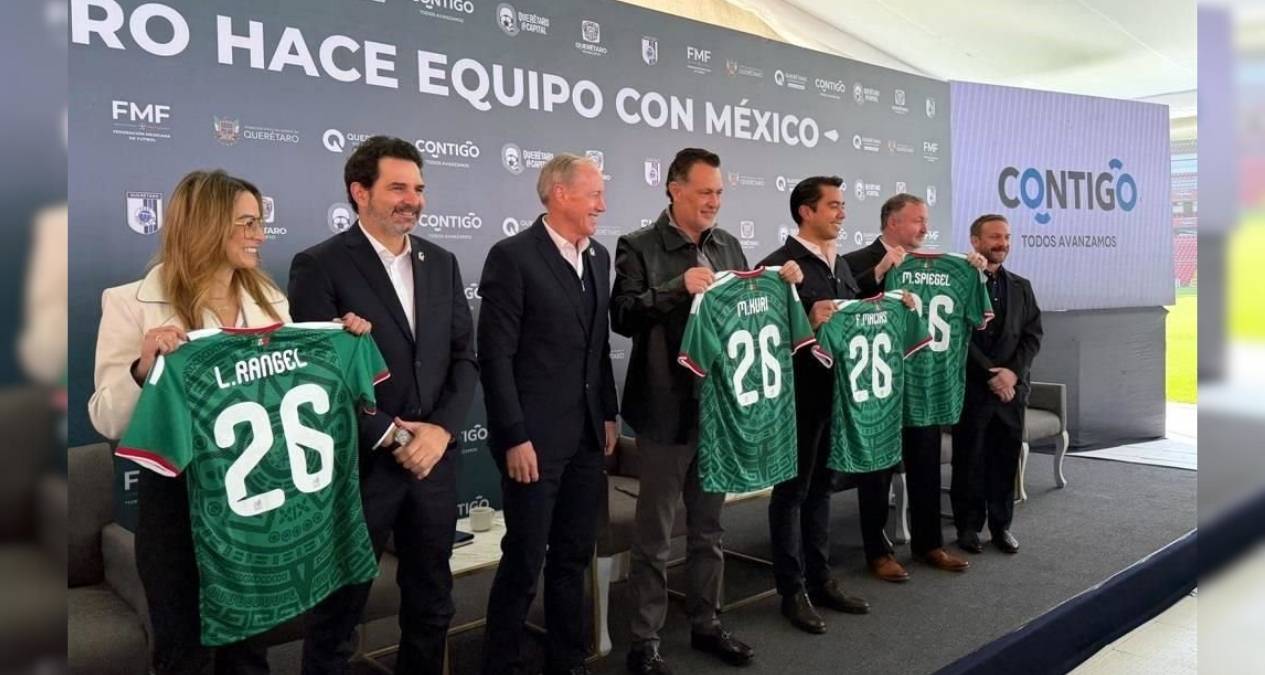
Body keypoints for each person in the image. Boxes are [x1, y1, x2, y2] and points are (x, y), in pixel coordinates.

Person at [88, 169, 369, 675]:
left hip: (252, 507)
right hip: (177, 503)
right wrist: (143, 370)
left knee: (249, 650)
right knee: (183, 651)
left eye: (259, 222)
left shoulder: (270, 299)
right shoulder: (128, 302)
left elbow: (287, 382)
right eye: (247, 223)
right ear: (206, 224)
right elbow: (107, 419)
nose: (260, 234)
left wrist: (337, 342)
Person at [288, 136, 478, 674]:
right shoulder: (320, 265)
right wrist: (396, 436)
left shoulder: (442, 262)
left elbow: (465, 357)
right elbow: (321, 378)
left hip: (433, 464)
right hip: (360, 468)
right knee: (338, 616)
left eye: (418, 188)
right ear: (359, 192)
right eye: (398, 187)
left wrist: (440, 432)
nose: (412, 200)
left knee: (432, 606)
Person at [612, 147, 801, 674]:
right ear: (674, 189)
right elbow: (623, 315)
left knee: (709, 529)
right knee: (654, 536)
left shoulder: (729, 245)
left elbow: (746, 311)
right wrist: (677, 287)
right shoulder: (638, 245)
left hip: (720, 411)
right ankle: (644, 641)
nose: (714, 201)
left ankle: (707, 623)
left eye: (719, 192)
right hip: (664, 410)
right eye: (704, 192)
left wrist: (781, 281)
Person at [477, 154, 619, 675]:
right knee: (523, 560)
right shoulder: (512, 257)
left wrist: (608, 413)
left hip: (586, 436)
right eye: (594, 194)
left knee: (573, 556)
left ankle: (567, 660)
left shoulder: (599, 256)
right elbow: (495, 357)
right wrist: (514, 436)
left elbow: (598, 346)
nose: (602, 204)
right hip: (533, 443)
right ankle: (500, 665)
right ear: (560, 194)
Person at [843, 193, 983, 582]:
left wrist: (975, 270)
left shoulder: (941, 267)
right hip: (877, 388)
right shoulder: (855, 261)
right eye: (917, 219)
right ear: (892, 222)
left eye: (926, 220)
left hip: (924, 386)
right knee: (876, 475)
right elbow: (844, 307)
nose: (925, 227)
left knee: (925, 467)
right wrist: (879, 272)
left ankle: (929, 543)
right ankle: (878, 552)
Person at [758, 177, 871, 634]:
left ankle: (821, 579)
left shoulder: (839, 263)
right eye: (833, 205)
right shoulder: (775, 267)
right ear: (806, 212)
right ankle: (792, 590)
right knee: (791, 493)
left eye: (843, 205)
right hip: (795, 403)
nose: (842, 213)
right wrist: (806, 319)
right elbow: (761, 342)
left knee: (822, 488)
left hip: (835, 397)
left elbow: (853, 322)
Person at [952, 214, 1043, 555]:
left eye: (1006, 237)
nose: (1002, 243)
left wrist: (1012, 375)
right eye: (994, 237)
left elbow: (1033, 336)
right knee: (969, 462)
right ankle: (968, 528)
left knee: (1005, 460)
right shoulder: (959, 284)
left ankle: (1001, 527)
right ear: (975, 241)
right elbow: (958, 337)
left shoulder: (1022, 286)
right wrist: (991, 374)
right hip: (974, 390)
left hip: (1011, 392)